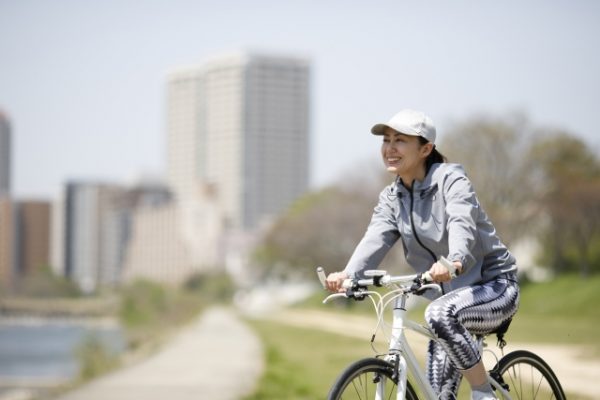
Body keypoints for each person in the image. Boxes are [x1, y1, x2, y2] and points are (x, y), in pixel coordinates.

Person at [325, 109, 520, 400]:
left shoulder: (452, 182)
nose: (389, 148)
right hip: (445, 297)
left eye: (400, 141)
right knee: (438, 394)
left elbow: (460, 223)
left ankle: (482, 393)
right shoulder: (392, 198)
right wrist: (348, 275)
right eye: (386, 140)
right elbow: (374, 239)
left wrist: (455, 261)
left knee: (439, 313)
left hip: (493, 286)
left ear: (426, 148)